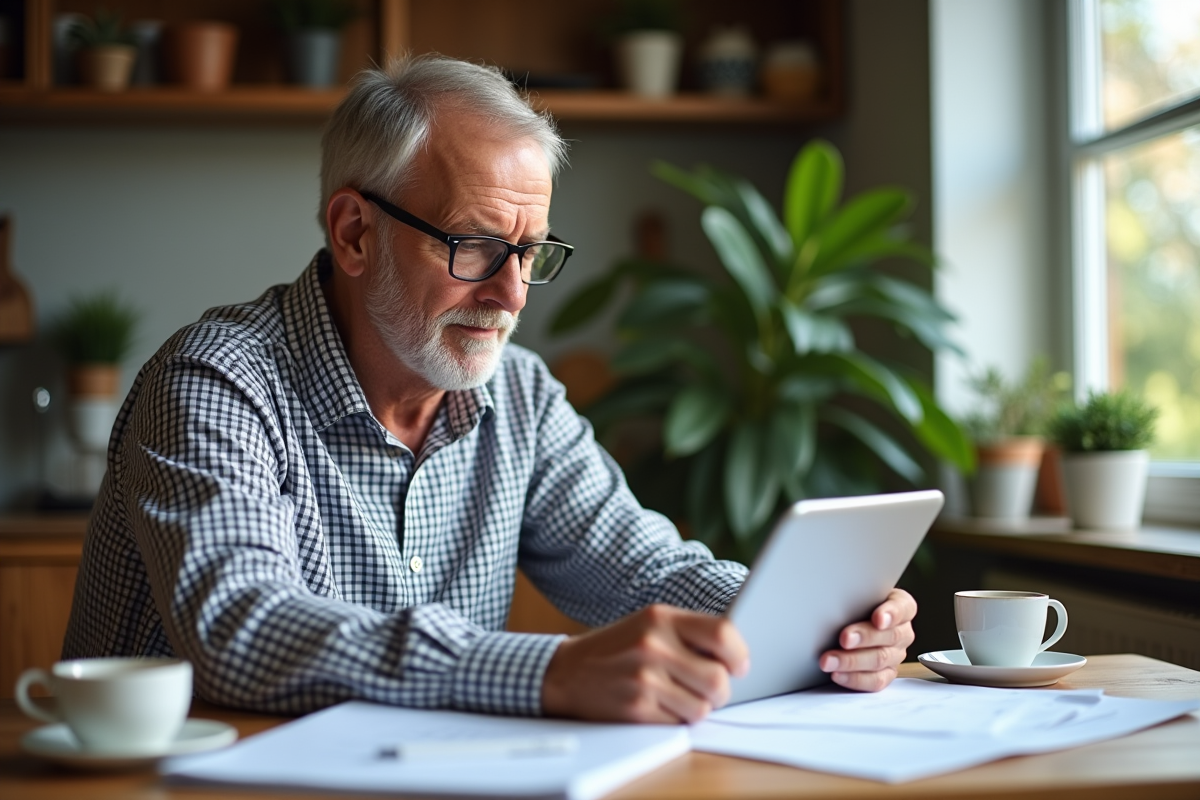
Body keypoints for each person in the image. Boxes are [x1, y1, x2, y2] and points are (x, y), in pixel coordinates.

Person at [63, 55, 917, 723]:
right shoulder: (215, 381)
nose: (512, 296)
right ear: (355, 233)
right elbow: (242, 630)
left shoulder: (523, 397)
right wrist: (544, 668)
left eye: (531, 252)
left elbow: (639, 567)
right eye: (473, 246)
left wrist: (814, 625)